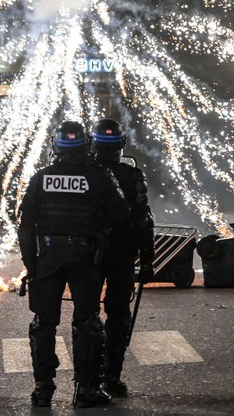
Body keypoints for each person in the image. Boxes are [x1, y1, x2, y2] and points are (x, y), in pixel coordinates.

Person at [18, 120, 129, 408]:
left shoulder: (41, 177)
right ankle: (86, 390)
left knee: (43, 324)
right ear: (85, 146)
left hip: (49, 258)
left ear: (55, 146)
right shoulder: (98, 176)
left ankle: (43, 390)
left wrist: (32, 266)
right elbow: (121, 214)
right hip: (84, 257)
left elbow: (26, 226)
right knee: (86, 322)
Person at [90, 118, 155, 398]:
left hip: (90, 255)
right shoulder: (131, 176)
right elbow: (144, 221)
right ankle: (111, 377)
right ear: (120, 145)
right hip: (121, 254)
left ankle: (89, 378)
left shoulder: (86, 174)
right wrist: (149, 259)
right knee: (118, 315)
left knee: (87, 315)